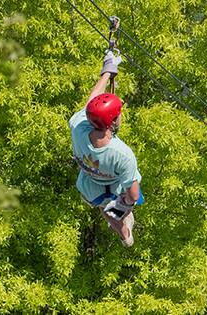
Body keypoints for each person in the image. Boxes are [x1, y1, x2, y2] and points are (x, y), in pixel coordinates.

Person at [70, 49, 143, 247]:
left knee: (105, 209)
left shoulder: (78, 128)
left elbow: (90, 104)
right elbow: (133, 194)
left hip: (91, 188)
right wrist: (124, 208)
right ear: (112, 123)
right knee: (115, 209)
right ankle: (123, 224)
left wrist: (107, 72)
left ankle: (124, 234)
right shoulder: (122, 154)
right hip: (115, 189)